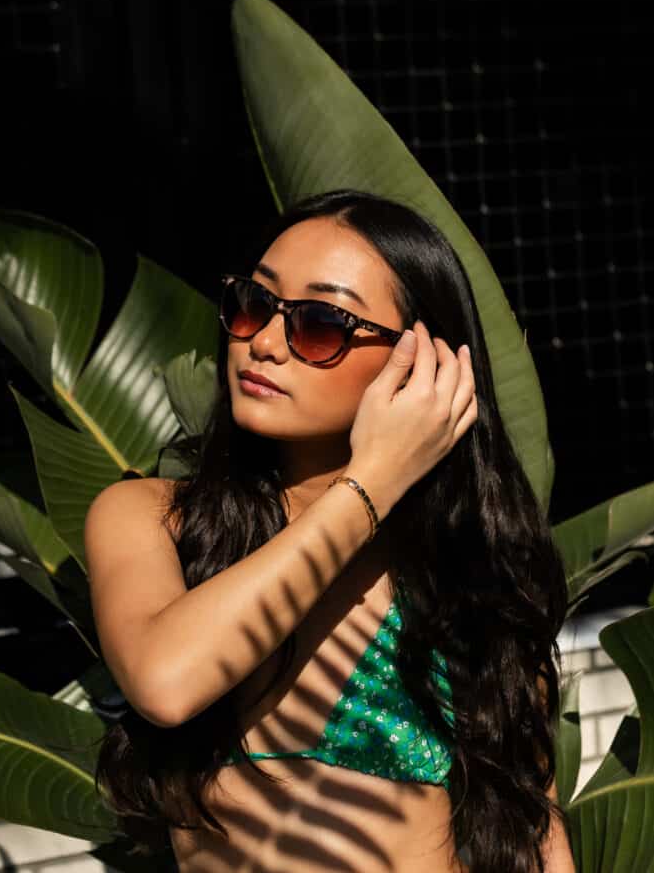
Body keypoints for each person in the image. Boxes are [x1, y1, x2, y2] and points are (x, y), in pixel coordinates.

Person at [85, 189, 575, 872]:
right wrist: (372, 482)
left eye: (319, 324)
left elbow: (538, 837)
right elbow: (166, 682)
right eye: (253, 303)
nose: (263, 343)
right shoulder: (153, 519)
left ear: (423, 362)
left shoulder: (463, 574)